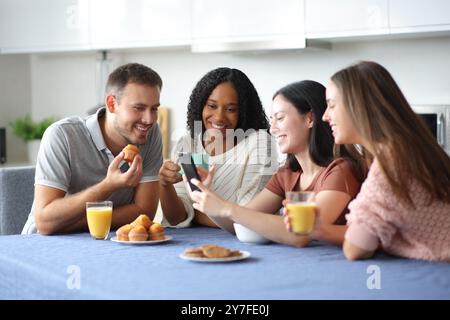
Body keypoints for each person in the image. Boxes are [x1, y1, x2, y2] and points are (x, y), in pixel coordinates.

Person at [189, 80, 366, 246]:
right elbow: (240, 223)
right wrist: (209, 198)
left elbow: (302, 233)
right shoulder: (286, 174)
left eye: (280, 118)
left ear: (310, 119)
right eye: (272, 120)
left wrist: (226, 208)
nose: (272, 129)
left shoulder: (341, 171)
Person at [322, 60, 450, 261]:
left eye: (331, 105)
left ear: (358, 105)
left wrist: (317, 231)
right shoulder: (410, 147)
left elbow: (355, 248)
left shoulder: (392, 161)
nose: (325, 116)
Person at [22, 63, 164, 235]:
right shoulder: (62, 135)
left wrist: (75, 222)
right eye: (138, 108)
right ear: (112, 104)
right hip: (45, 244)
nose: (149, 119)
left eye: (154, 109)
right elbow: (45, 223)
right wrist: (108, 185)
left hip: (105, 241)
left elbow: (143, 212)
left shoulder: (149, 133)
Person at [159, 67, 278, 233]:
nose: (219, 117)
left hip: (242, 244)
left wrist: (195, 215)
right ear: (200, 105)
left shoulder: (259, 144)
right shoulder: (187, 144)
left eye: (230, 109)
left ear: (243, 111)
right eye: (212, 106)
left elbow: (246, 219)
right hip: (191, 243)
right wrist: (165, 185)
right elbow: (177, 218)